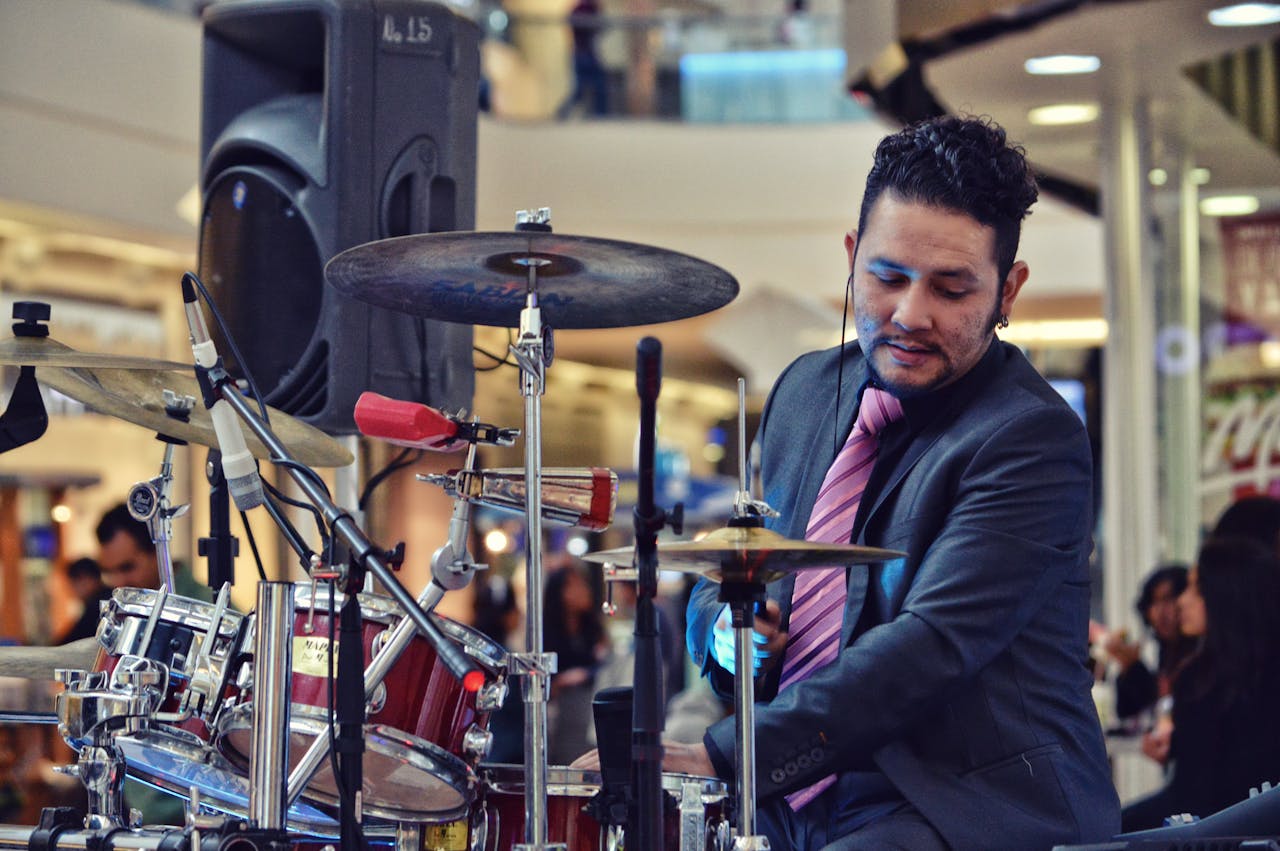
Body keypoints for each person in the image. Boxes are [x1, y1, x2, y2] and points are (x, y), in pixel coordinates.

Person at [649, 115, 1119, 849]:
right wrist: (727, 630)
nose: (910, 314)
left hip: (964, 804)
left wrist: (727, 753)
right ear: (851, 257)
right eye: (888, 277)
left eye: (951, 289)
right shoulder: (803, 393)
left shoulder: (1031, 437)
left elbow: (930, 647)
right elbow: (738, 560)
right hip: (793, 794)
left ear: (1008, 290)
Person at [1119, 536, 1280, 831]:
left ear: (1227, 595)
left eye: (1197, 589)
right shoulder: (1215, 673)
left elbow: (1195, 795)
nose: (1182, 601)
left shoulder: (1201, 678)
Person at [1103, 563, 1196, 724]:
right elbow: (1130, 715)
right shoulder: (1167, 650)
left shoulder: (1199, 651)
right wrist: (1129, 665)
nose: (1160, 612)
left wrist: (1133, 666)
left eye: (1168, 599)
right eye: (1154, 602)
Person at [544, 563, 609, 764]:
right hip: (557, 712)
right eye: (575, 585)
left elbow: (605, 663)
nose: (583, 590)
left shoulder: (591, 626)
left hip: (588, 705)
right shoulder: (547, 630)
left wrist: (583, 674)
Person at [95, 503, 208, 602]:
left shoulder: (208, 606)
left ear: (157, 552)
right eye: (108, 572)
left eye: (126, 568)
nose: (118, 584)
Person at [55, 557, 113, 645]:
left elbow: (74, 638)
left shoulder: (98, 605)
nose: (71, 589)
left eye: (73, 583)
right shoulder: (103, 598)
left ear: (85, 579)